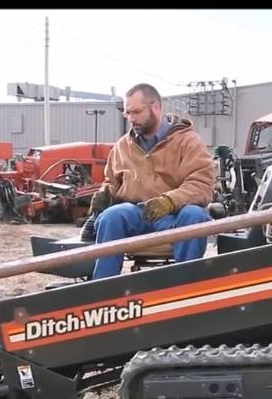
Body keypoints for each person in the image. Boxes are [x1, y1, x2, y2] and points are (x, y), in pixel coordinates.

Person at [85, 83, 215, 279]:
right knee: (112, 216)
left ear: (156, 107)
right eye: (128, 114)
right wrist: (106, 193)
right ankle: (102, 292)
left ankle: (185, 287)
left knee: (194, 216)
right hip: (137, 213)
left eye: (136, 112)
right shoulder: (122, 147)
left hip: (174, 216)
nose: (131, 119)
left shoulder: (188, 142)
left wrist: (169, 201)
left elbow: (201, 185)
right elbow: (112, 181)